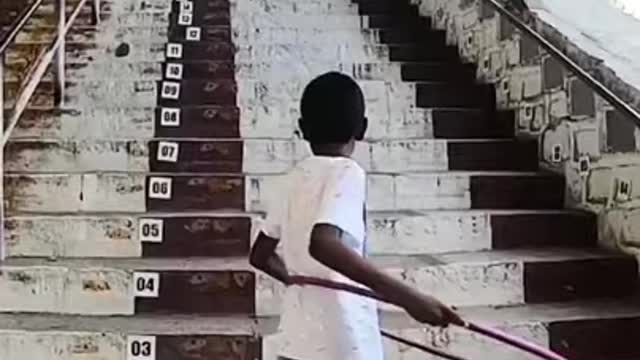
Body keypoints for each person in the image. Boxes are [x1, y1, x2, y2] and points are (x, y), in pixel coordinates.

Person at [249, 72, 463, 360]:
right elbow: (323, 244)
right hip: (343, 340)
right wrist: (410, 299)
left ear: (302, 128)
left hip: (297, 339)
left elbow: (260, 255)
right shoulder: (347, 172)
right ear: (361, 129)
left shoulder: (293, 179)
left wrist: (300, 279)